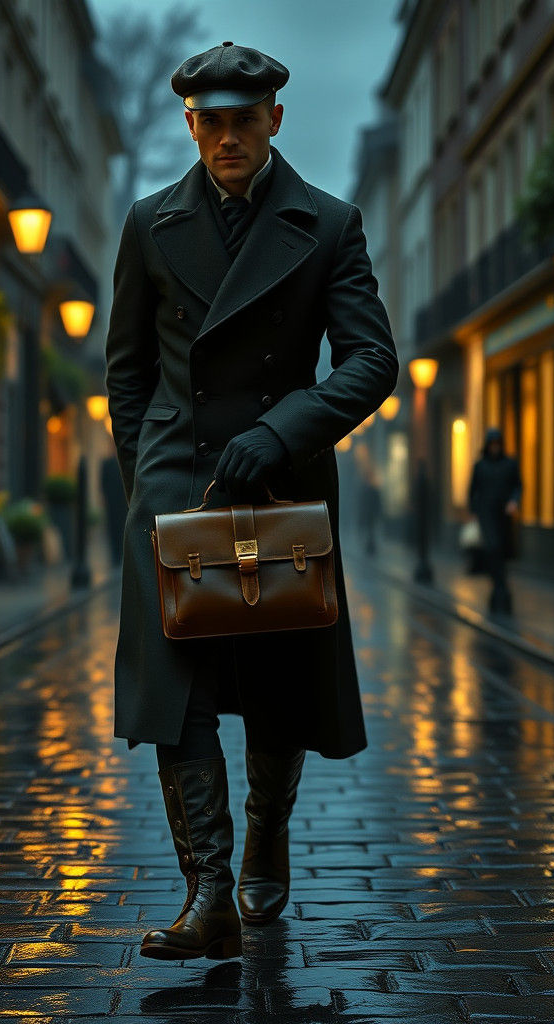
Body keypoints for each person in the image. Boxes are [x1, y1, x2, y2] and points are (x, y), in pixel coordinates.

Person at [104, 41, 398, 962]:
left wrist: (283, 432)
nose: (227, 137)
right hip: (176, 484)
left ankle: (267, 835)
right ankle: (210, 893)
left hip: (281, 483)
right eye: (211, 121)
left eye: (244, 119)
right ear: (192, 124)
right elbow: (127, 370)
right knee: (176, 689)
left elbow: (371, 359)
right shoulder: (150, 224)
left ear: (273, 118)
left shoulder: (329, 223)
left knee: (278, 682)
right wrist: (147, 480)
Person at [468, 426, 522, 614]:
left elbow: (518, 485)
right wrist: (474, 511)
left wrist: (514, 502)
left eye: (497, 444)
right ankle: (499, 589)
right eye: (492, 445)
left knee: (502, 552)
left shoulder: (509, 464)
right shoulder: (480, 466)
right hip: (486, 515)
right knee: (492, 549)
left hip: (504, 517)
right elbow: (473, 490)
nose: (495, 448)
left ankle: (500, 590)